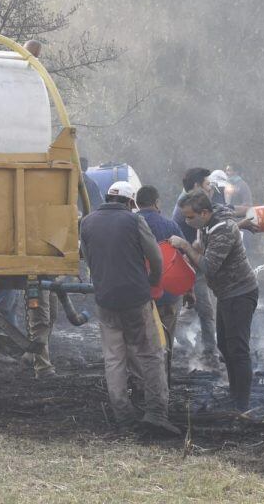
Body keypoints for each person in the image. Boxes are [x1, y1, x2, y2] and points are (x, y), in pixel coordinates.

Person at [80, 180, 179, 435]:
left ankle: (123, 417)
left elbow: (87, 257)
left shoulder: (87, 222)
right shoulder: (134, 221)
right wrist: (154, 282)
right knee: (151, 354)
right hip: (136, 299)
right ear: (131, 202)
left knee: (114, 359)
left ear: (107, 197)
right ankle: (156, 413)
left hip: (105, 301)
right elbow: (155, 256)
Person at [169, 190, 259, 412]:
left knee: (237, 349)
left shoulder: (223, 229)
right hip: (226, 293)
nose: (187, 221)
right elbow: (207, 242)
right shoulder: (209, 222)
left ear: (205, 212)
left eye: (190, 217)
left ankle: (241, 403)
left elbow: (208, 266)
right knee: (224, 346)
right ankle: (234, 393)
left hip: (240, 293)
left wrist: (185, 246)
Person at [136, 185, 190, 353]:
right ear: (157, 203)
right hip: (168, 296)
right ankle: (163, 376)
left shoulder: (129, 225)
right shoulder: (170, 226)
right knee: (165, 344)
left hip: (138, 297)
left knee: (141, 344)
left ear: (137, 203)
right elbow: (184, 259)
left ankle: (141, 377)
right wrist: (189, 290)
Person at [172, 168, 218, 358]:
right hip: (191, 268)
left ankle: (190, 342)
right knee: (204, 311)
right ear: (197, 186)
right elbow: (188, 246)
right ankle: (208, 351)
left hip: (193, 265)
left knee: (198, 309)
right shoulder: (186, 210)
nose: (211, 188)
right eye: (207, 184)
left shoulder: (190, 203)